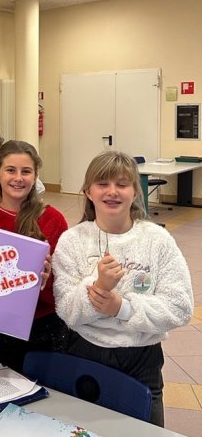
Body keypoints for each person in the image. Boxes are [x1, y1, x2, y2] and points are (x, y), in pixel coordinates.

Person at [53, 150, 194, 427]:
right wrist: (98, 287)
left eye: (122, 184)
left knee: (146, 430)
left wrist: (122, 308)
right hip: (86, 351)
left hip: (142, 357)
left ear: (135, 191)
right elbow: (67, 310)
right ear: (88, 191)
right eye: (102, 184)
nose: (112, 192)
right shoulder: (72, 241)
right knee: (88, 429)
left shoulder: (157, 240)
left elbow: (180, 307)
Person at [0, 140, 68, 371]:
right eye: (10, 170)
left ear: (35, 177)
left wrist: (48, 276)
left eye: (26, 171)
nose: (18, 178)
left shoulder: (53, 220)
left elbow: (65, 282)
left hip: (41, 325)